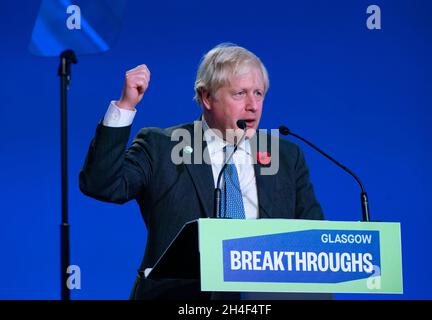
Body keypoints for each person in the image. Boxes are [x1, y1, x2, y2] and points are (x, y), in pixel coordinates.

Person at [79, 43, 324, 300]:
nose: (253, 105)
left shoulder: (285, 155)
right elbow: (101, 184)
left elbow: (315, 242)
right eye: (240, 93)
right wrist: (125, 106)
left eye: (259, 93)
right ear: (206, 97)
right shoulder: (162, 147)